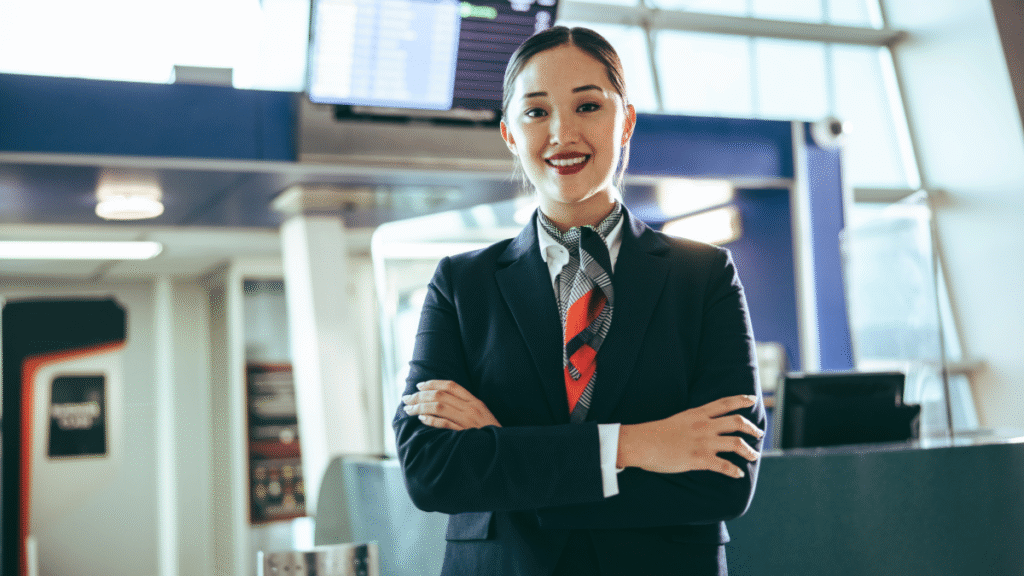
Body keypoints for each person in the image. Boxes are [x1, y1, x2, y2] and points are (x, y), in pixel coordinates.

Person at [395, 25, 766, 576]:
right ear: (509, 134)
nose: (562, 134)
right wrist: (636, 445)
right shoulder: (462, 283)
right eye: (536, 112)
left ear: (627, 120)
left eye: (588, 105)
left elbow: (725, 476)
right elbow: (431, 471)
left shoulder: (703, 276)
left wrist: (506, 451)